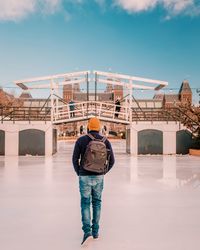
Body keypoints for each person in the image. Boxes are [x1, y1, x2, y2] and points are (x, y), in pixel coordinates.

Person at [72, 117, 115, 246]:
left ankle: (87, 233)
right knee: (97, 203)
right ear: (99, 127)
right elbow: (112, 161)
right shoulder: (105, 141)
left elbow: (74, 159)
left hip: (84, 176)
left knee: (85, 203)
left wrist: (79, 172)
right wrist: (103, 172)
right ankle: (95, 232)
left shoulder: (81, 140)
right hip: (99, 177)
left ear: (88, 127)